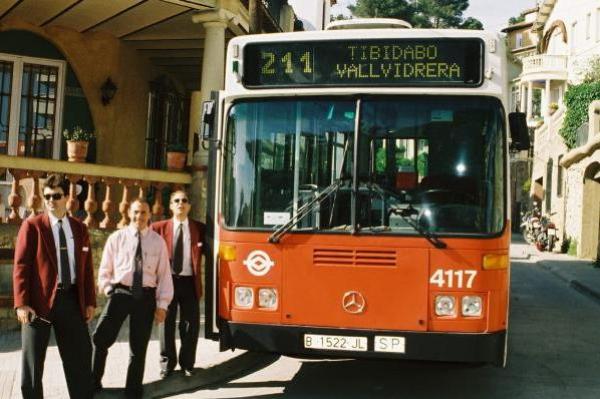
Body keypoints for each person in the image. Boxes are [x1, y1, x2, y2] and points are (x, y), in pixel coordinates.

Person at [13, 174, 96, 399]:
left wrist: (89, 301)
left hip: (70, 301)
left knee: (79, 359)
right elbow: (21, 265)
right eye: (47, 196)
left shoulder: (79, 229)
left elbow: (86, 269)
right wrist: (21, 303)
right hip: (38, 304)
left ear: (67, 197)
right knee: (32, 367)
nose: (50, 200)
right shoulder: (32, 226)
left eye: (56, 196)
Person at [92, 199, 173, 398]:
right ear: (129, 213)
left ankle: (133, 391)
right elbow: (105, 270)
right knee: (100, 338)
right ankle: (92, 383)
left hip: (145, 297)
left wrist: (162, 305)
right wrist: (110, 289)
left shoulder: (157, 242)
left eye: (144, 212)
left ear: (149, 215)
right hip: (120, 294)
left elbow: (164, 276)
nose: (140, 216)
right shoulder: (116, 238)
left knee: (138, 348)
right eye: (136, 212)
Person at [151, 190, 205, 378]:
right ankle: (167, 364)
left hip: (190, 283)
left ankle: (187, 363)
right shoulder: (158, 228)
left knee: (190, 325)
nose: (181, 203)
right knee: (165, 323)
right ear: (171, 206)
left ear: (189, 206)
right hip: (167, 281)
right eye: (177, 200)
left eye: (184, 200)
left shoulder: (199, 229)